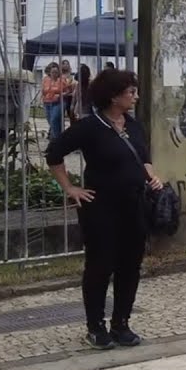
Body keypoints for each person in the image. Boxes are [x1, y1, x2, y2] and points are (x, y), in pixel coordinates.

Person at [45, 69, 164, 349]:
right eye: (130, 92)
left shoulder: (133, 125)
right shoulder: (90, 127)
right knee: (100, 265)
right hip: (101, 207)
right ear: (113, 96)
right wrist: (70, 188)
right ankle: (95, 326)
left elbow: (143, 158)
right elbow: (54, 153)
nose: (135, 96)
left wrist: (151, 176)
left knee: (130, 266)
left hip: (133, 204)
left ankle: (121, 323)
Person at [41, 62, 66, 142]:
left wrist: (60, 94)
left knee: (54, 119)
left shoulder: (62, 79)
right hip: (47, 102)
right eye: (52, 72)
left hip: (58, 102)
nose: (54, 74)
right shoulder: (45, 79)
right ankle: (59, 138)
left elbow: (67, 91)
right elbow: (43, 91)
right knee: (51, 122)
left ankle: (56, 140)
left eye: (56, 72)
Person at [60, 60, 76, 126]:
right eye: (64, 64)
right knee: (60, 114)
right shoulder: (59, 75)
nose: (66, 65)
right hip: (62, 96)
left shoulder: (71, 75)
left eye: (67, 64)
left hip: (70, 96)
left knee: (71, 114)